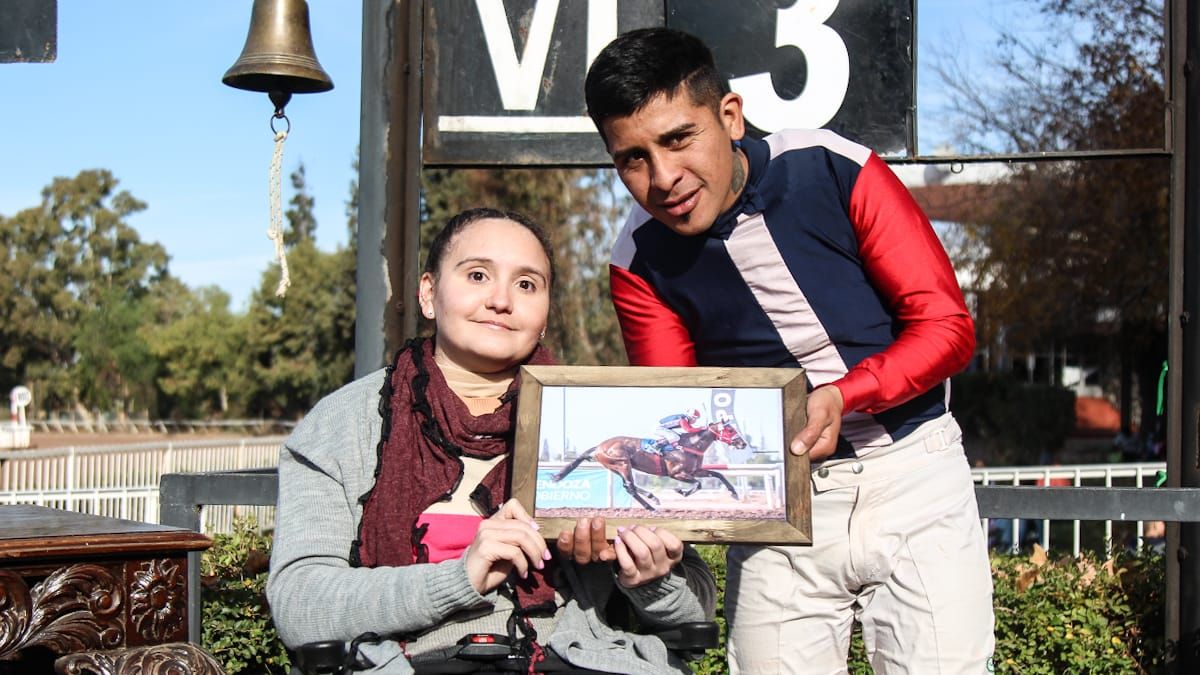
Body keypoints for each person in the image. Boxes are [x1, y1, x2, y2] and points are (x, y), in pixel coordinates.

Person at [584, 28, 994, 673]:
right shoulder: (636, 260)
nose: (662, 178)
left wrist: (845, 394)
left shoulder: (829, 163)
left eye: (678, 139)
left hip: (915, 474)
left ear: (730, 115)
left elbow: (945, 327)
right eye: (632, 158)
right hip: (775, 511)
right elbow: (675, 409)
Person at [267, 207, 716, 675]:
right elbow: (300, 604)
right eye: (478, 275)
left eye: (527, 284)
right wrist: (460, 577)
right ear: (428, 293)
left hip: (573, 660)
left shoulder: (593, 416)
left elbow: (698, 611)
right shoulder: (345, 423)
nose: (501, 300)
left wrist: (649, 580)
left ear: (544, 315)